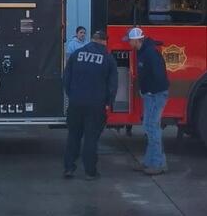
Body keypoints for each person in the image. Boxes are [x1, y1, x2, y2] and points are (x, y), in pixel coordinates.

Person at [62, 30, 117, 180]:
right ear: (105, 41)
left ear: (92, 39)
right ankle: (90, 172)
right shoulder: (108, 58)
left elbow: (66, 78)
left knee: (73, 136)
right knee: (91, 138)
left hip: (76, 103)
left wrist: (72, 95)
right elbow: (112, 85)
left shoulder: (77, 54)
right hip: (96, 105)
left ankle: (69, 168)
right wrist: (108, 103)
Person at [124, 27, 169, 175]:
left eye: (130, 40)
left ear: (137, 40)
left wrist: (149, 90)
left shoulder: (149, 53)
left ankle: (158, 164)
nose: (128, 43)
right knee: (150, 127)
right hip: (152, 95)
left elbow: (158, 74)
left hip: (155, 95)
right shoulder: (144, 51)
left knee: (152, 128)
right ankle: (150, 162)